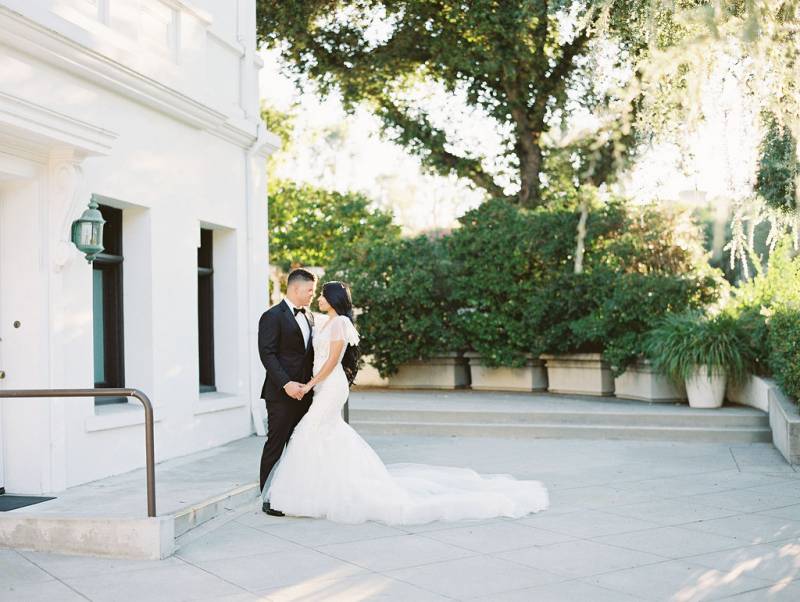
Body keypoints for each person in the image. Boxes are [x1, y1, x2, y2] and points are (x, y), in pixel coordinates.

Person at [263, 280, 549, 524]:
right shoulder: (323, 320)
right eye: (316, 293)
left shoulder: (340, 324)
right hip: (319, 387)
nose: (319, 298)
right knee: (324, 434)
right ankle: (324, 488)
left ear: (334, 299)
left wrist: (310, 384)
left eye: (322, 294)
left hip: (330, 385)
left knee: (311, 431)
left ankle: (319, 492)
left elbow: (332, 362)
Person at [257, 268, 317, 516]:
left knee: (299, 445)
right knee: (276, 443)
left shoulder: (311, 316)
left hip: (306, 394)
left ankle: (293, 492)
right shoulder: (272, 316)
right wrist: (286, 384)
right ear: (295, 289)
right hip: (280, 394)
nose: (312, 295)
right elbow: (267, 354)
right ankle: (267, 496)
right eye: (310, 290)